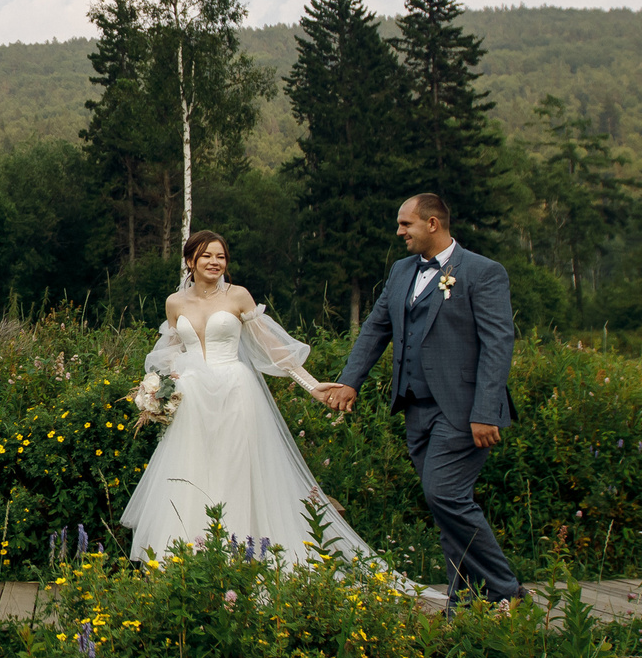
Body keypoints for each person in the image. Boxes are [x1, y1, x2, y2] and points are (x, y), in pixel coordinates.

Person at [119, 229, 394, 575]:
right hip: (193, 402)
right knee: (191, 473)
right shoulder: (175, 303)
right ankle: (188, 563)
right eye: (206, 256)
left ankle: (243, 560)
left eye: (220, 256)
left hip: (235, 393)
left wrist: (311, 386)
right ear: (190, 261)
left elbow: (270, 347)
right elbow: (171, 352)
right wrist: (158, 391)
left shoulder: (238, 297)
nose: (214, 262)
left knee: (236, 472)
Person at [314, 193, 523, 610]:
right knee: (441, 501)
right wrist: (350, 382)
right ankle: (464, 601)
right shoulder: (401, 270)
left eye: (405, 224)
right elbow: (376, 329)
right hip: (416, 407)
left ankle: (505, 588)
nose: (399, 232)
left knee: (445, 495)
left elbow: (498, 345)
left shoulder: (483, 272)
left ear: (432, 224)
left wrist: (484, 412)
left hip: (464, 412)